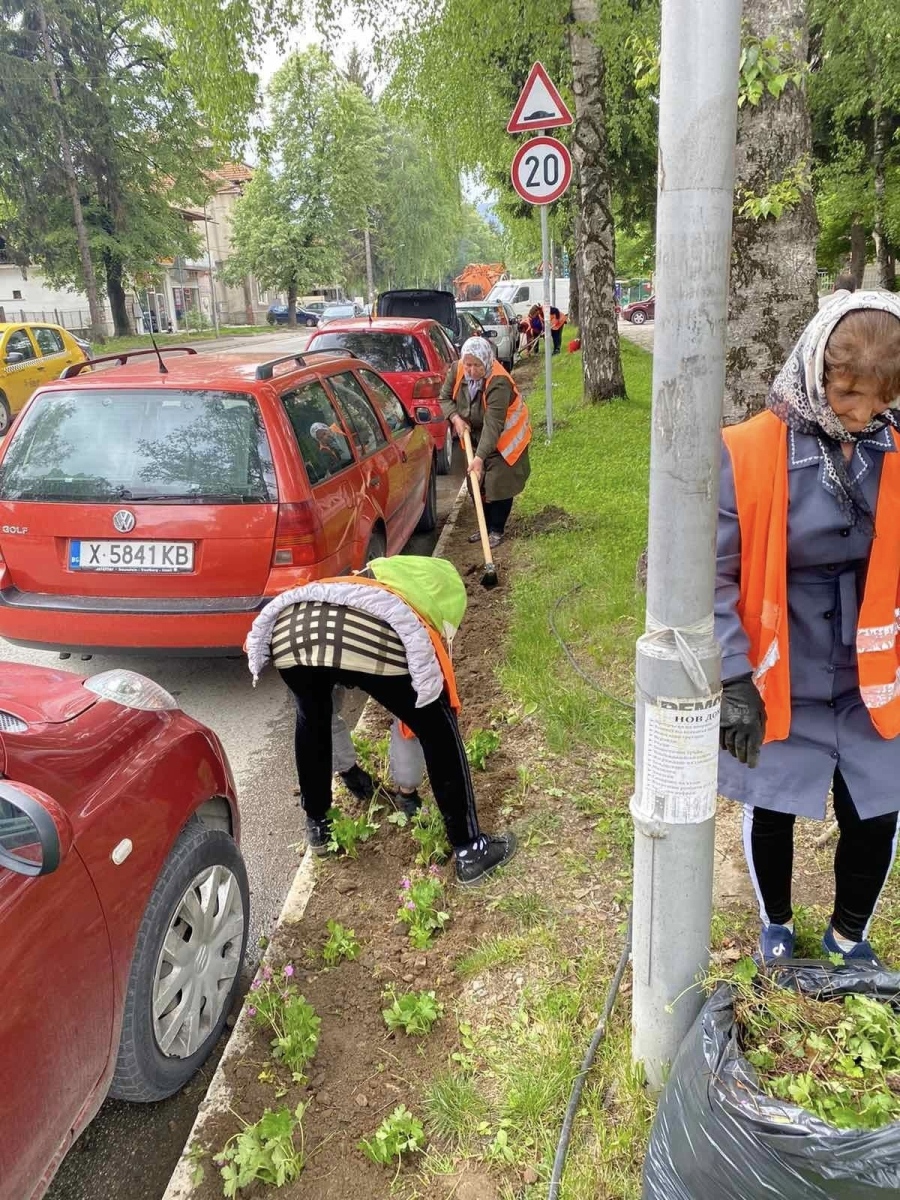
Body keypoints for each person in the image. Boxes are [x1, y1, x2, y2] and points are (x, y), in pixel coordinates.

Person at [716, 290, 900, 967]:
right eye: (847, 392)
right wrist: (734, 675)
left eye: (875, 398)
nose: (859, 412)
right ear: (815, 368)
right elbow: (716, 577)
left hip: (868, 670)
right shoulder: (748, 452)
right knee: (773, 800)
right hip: (781, 665)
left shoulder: (893, 447)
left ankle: (849, 938)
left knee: (878, 809)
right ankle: (778, 928)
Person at [246, 554, 518, 886]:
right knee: (436, 725)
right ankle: (470, 850)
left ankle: (318, 825)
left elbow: (330, 698)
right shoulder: (402, 610)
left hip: (290, 630)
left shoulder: (362, 584)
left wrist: (348, 770)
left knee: (312, 719)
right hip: (357, 635)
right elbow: (420, 707)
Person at [441, 336, 531, 549]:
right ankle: (485, 527)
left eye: (476, 365)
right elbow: (444, 398)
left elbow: (493, 425)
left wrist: (480, 457)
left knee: (498, 485)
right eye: (468, 364)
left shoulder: (498, 382)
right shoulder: (457, 370)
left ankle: (496, 530)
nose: (470, 370)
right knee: (476, 485)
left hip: (504, 439)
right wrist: (455, 418)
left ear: (486, 362)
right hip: (472, 436)